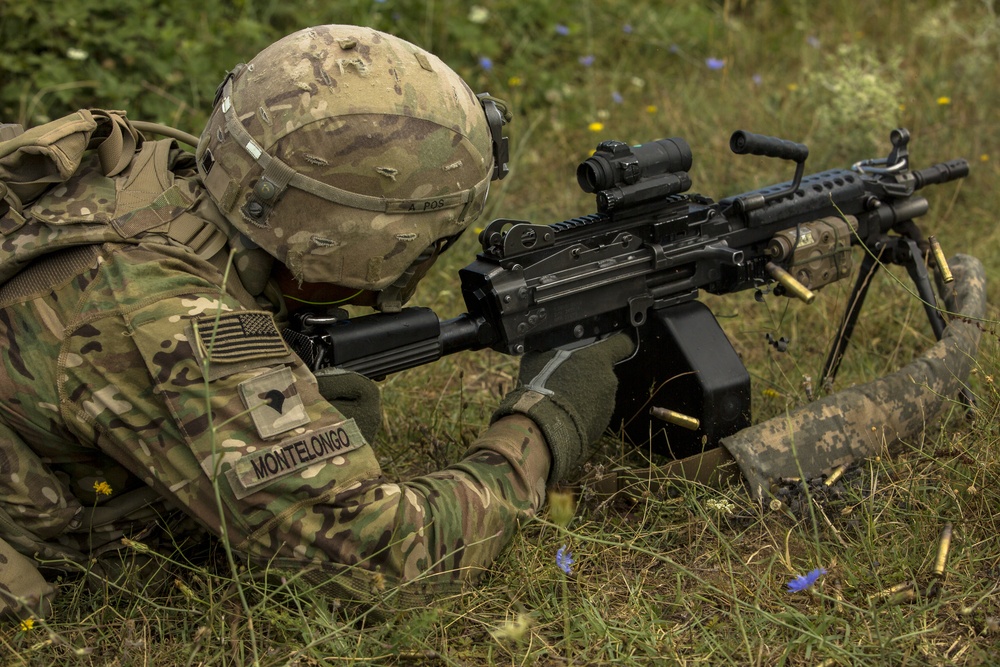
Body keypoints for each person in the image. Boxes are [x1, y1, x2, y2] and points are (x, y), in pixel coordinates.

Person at [0, 24, 633, 617]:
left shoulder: (148, 175)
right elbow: (382, 558)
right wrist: (545, 424)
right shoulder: (172, 322)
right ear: (360, 241)